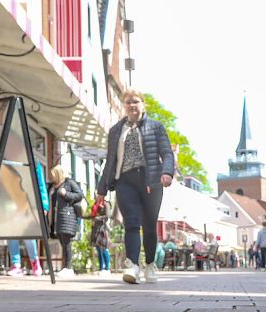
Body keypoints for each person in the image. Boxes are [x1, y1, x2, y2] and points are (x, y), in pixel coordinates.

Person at [97, 88, 175, 284]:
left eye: (136, 101)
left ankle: (149, 264)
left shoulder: (156, 127)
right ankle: (133, 266)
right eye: (128, 102)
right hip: (125, 180)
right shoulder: (116, 131)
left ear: (143, 104)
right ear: (124, 106)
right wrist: (101, 190)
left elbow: (167, 153)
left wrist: (167, 172)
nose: (132, 105)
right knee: (131, 222)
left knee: (149, 225)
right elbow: (110, 160)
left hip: (150, 180)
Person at [48, 165, 83, 278]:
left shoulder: (68, 183)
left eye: (53, 174)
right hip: (57, 218)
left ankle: (69, 268)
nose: (52, 177)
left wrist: (66, 194)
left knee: (67, 242)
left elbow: (79, 195)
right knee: (63, 242)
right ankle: (65, 268)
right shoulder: (53, 186)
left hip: (67, 217)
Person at [90, 200, 111, 276]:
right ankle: (101, 268)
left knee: (104, 248)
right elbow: (92, 215)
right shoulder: (95, 204)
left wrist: (97, 218)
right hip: (95, 229)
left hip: (103, 229)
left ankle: (107, 268)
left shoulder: (106, 204)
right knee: (98, 249)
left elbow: (107, 216)